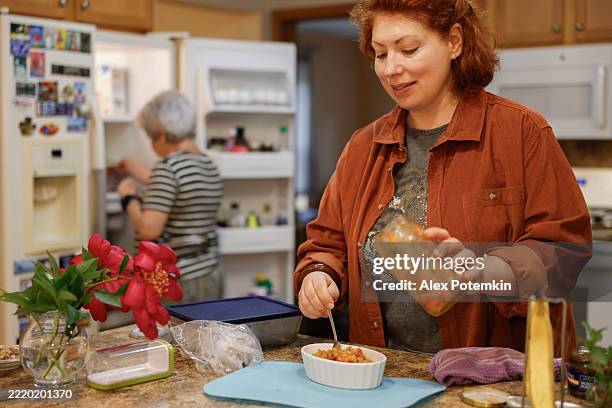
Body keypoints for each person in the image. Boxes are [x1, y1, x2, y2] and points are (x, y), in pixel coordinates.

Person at [294, 0, 591, 355]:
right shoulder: (363, 147)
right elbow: (328, 243)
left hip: (494, 377)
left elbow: (564, 249)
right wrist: (318, 275)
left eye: (408, 49)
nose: (391, 68)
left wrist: (482, 271)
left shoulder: (522, 132)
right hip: (385, 373)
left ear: (454, 41)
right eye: (380, 53)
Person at [117, 90, 224, 301]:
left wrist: (128, 198)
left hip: (179, 280)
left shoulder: (168, 168)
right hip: (208, 272)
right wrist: (132, 167)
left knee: (177, 335)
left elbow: (149, 229)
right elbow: (179, 189)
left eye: (150, 137)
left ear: (161, 133)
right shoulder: (206, 163)